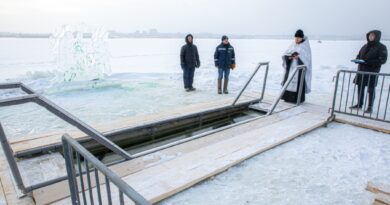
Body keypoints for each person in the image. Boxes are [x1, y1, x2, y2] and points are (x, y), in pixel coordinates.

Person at [350, 30, 388, 113]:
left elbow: (382, 60)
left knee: (371, 90)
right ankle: (359, 104)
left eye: (372, 35)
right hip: (361, 71)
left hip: (372, 72)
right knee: (360, 88)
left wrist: (368, 62)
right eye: (369, 35)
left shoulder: (382, 47)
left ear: (377, 36)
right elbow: (359, 55)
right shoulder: (365, 46)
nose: (370, 37)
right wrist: (357, 60)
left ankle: (370, 107)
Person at [281, 29, 312, 103]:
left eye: (298, 37)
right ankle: (287, 97)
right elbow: (285, 53)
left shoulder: (305, 46)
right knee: (288, 80)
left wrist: (299, 57)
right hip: (291, 67)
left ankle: (297, 99)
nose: (297, 39)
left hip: (299, 69)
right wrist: (289, 57)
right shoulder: (292, 45)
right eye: (296, 37)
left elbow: (307, 59)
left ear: (302, 38)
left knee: (298, 82)